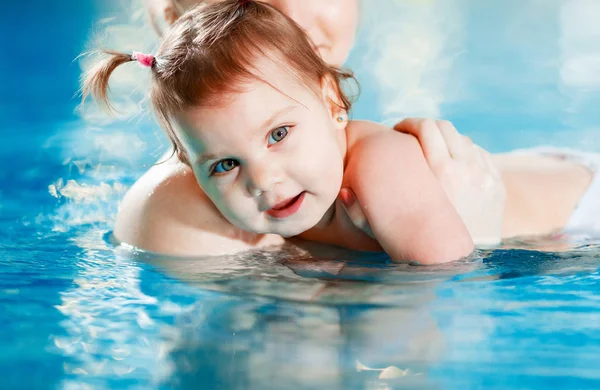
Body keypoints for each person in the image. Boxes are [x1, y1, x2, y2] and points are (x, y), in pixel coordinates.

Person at [83, 1, 597, 264]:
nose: (262, 179)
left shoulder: (377, 162)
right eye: (224, 163)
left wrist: (479, 241)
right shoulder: (179, 203)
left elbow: (446, 295)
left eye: (279, 133)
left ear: (333, 102)